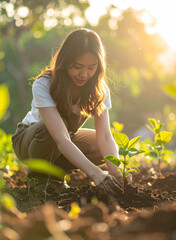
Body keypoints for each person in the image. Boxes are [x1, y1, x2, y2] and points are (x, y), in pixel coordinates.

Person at [12, 28, 122, 195]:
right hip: (29, 140)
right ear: (65, 61)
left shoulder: (98, 90)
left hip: (63, 139)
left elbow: (105, 137)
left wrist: (116, 173)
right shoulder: (44, 84)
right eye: (78, 66)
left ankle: (56, 177)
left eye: (91, 67)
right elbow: (60, 138)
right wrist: (96, 173)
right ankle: (38, 181)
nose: (84, 74)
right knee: (53, 130)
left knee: (99, 146)